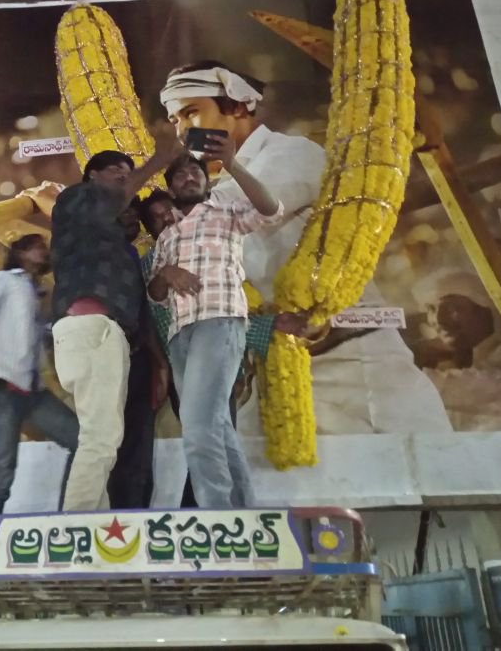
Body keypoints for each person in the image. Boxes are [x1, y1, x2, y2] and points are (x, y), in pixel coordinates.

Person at [159, 60, 454, 436]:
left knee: (424, 484)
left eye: (191, 113)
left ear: (236, 105)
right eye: (174, 121)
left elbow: (236, 212)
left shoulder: (290, 155)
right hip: (283, 369)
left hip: (361, 367)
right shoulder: (211, 190)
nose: (183, 129)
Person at [137, 189, 305, 507]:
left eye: (168, 209)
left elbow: (223, 313)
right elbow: (155, 314)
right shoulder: (156, 259)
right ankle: (238, 511)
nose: (166, 217)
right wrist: (163, 366)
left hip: (214, 352)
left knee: (204, 432)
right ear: (152, 231)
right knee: (213, 432)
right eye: (157, 218)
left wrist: (265, 329)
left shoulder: (212, 236)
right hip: (179, 355)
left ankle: (220, 516)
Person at [50, 129, 181, 512]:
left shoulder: (118, 252)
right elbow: (108, 202)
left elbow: (142, 310)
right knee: (100, 440)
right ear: (92, 176)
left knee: (106, 438)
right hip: (92, 328)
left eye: (130, 171)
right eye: (116, 171)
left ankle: (98, 530)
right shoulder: (74, 200)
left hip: (108, 336)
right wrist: (160, 158)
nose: (126, 176)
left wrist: (157, 363)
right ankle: (75, 530)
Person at [0, 234, 79, 515]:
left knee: (81, 441)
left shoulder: (35, 291)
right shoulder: (3, 281)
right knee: (0, 476)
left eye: (45, 249)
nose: (43, 252)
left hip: (31, 390)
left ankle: (68, 518)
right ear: (20, 252)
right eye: (36, 247)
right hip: (2, 386)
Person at [106, 199, 169, 509]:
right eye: (124, 210)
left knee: (138, 448)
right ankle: (119, 520)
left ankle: (136, 518)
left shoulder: (134, 255)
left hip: (140, 357)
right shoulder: (96, 250)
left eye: (136, 214)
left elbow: (142, 311)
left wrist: (157, 362)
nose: (132, 217)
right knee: (115, 447)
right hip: (112, 355)